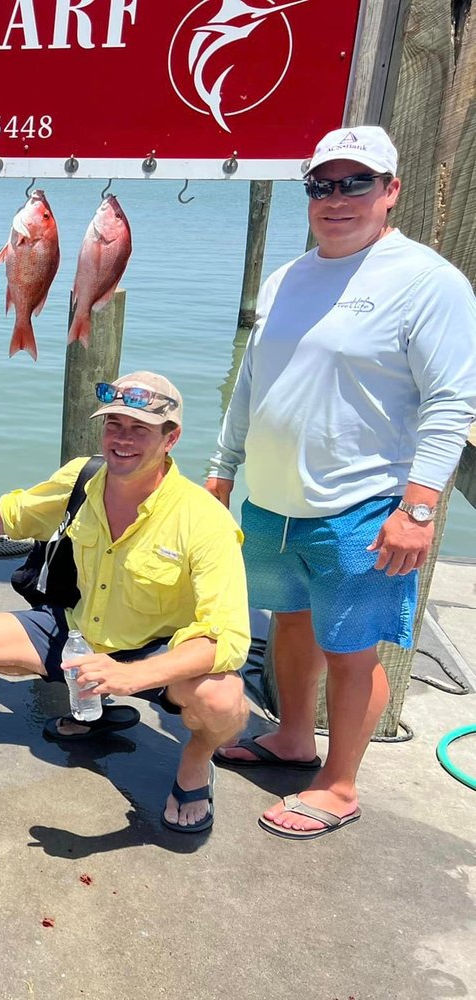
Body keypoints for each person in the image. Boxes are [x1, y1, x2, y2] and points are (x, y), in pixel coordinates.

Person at [207, 125, 476, 839]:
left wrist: (416, 509)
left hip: (362, 505)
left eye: (355, 182)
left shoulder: (428, 281)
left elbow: (451, 401)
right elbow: (251, 383)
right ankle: (293, 738)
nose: (335, 198)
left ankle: (340, 783)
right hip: (271, 500)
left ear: (389, 191)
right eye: (321, 185)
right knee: (287, 624)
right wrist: (220, 467)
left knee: (352, 650)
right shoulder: (287, 276)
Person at [0, 373, 250, 834]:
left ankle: (196, 758)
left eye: (140, 429)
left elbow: (227, 638)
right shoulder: (84, 476)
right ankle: (96, 705)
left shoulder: (204, 519)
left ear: (171, 438)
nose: (122, 439)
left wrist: (132, 675)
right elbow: (15, 513)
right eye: (114, 425)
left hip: (158, 650)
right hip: (80, 632)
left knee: (223, 701)